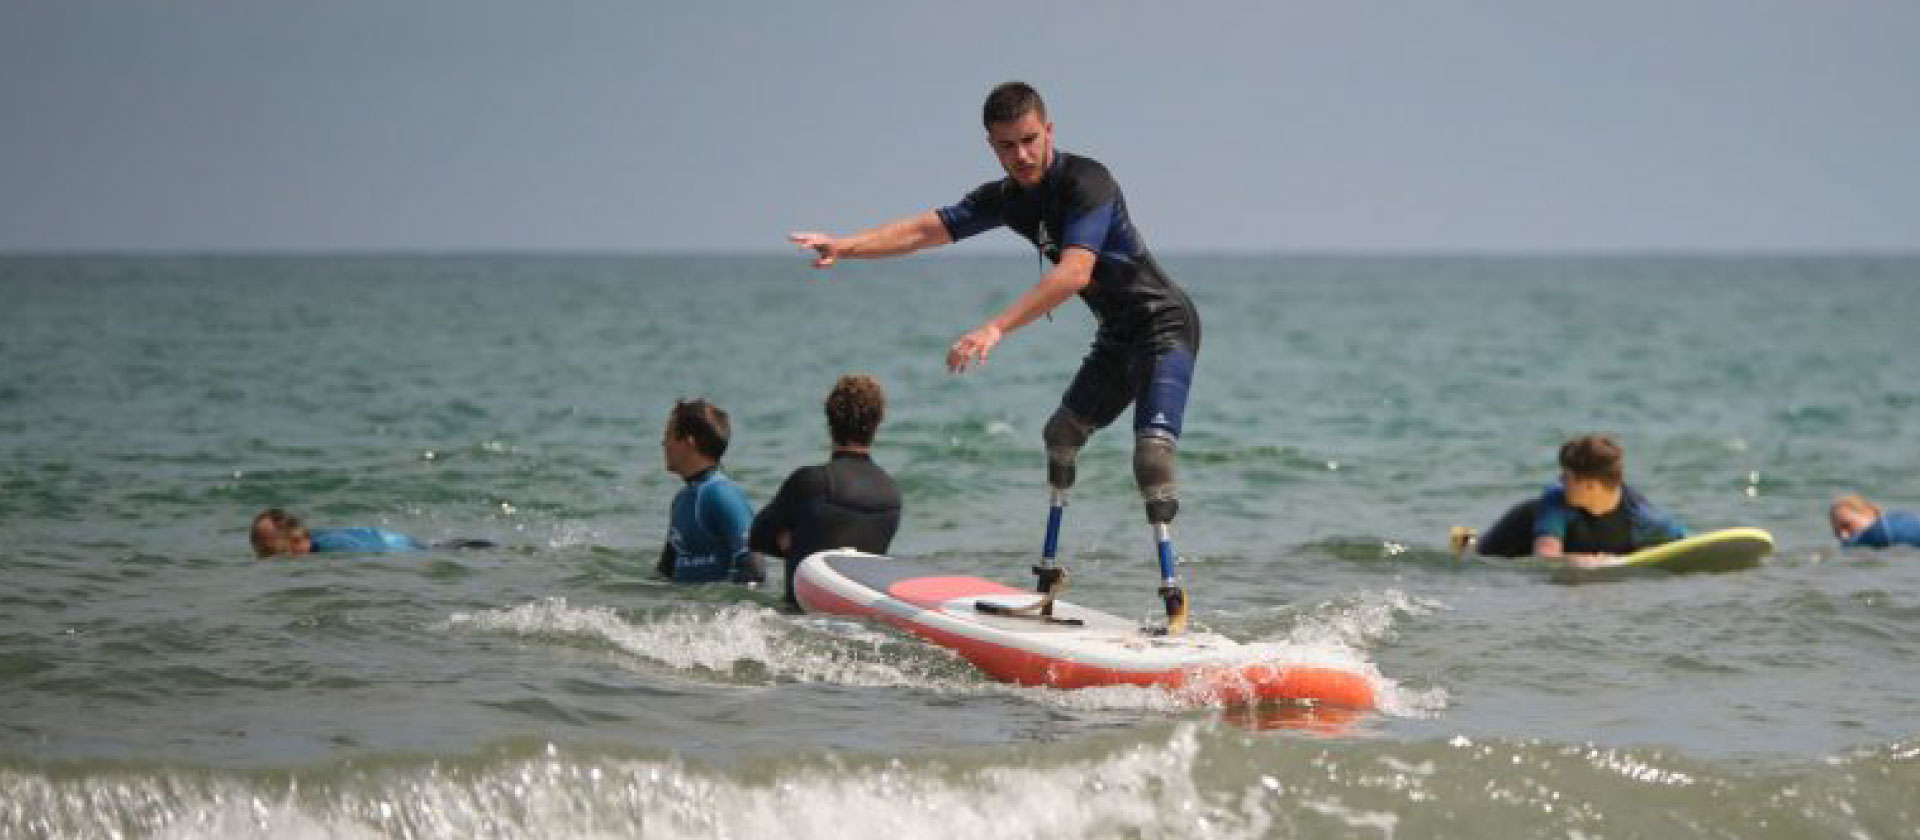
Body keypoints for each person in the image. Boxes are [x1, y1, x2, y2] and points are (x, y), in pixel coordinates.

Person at [789, 81, 1201, 632]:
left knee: (1150, 459)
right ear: (992, 145)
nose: (1022, 156)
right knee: (1060, 436)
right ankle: (1048, 584)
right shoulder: (1008, 199)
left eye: (1030, 140)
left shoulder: (1088, 182)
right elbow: (922, 230)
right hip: (1117, 336)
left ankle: (1174, 601)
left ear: (1048, 131)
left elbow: (1074, 272)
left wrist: (994, 328)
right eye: (1007, 146)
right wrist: (846, 246)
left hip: (1164, 326)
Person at [751, 374, 903, 609]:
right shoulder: (891, 493)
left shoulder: (811, 482)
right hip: (860, 620)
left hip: (801, 618)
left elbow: (757, 536)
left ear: (830, 419)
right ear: (877, 421)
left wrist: (794, 542)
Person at [1458, 434, 1687, 563]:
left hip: (1588, 551)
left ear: (1589, 485)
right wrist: (1584, 562)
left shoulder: (1641, 515)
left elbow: (1686, 546)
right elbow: (1545, 556)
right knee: (1472, 553)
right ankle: (1466, 539)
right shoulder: (1555, 498)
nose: (1560, 479)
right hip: (1504, 545)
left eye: (1566, 476)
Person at [657, 398, 764, 585]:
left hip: (716, 610)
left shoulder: (721, 494)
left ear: (689, 442)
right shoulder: (681, 500)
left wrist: (730, 612)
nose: (663, 443)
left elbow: (754, 568)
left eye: (668, 436)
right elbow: (665, 574)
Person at [249, 507, 437, 557]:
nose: (265, 561)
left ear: (297, 540)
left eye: (270, 553)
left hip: (421, 550)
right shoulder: (315, 540)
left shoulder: (333, 547)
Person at [1829, 494, 1920, 549]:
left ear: (1870, 513)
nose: (1843, 536)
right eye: (1837, 533)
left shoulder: (1885, 530)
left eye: (1847, 525)